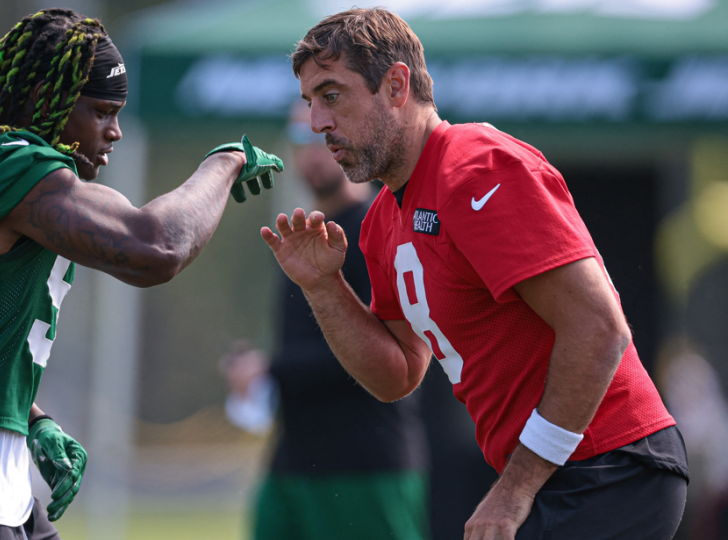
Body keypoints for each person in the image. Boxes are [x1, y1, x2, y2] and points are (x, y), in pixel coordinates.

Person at [0, 9, 282, 540]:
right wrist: (223, 163)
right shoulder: (8, 169)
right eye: (100, 112)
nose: (114, 131)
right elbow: (155, 247)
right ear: (47, 98)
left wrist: (34, 417)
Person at [261, 8, 688, 540]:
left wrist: (513, 488)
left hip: (611, 465)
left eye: (331, 95)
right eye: (309, 103)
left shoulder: (475, 167)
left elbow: (600, 331)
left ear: (396, 85)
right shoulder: (382, 221)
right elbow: (396, 374)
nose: (318, 123)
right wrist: (324, 288)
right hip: (555, 470)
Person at [223, 101, 429, 540]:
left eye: (323, 137)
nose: (314, 151)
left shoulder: (382, 226)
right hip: (293, 460)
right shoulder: (300, 232)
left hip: (364, 464)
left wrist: (270, 369)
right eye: (301, 139)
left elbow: (387, 352)